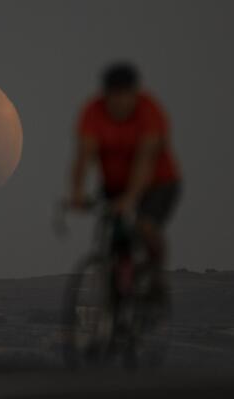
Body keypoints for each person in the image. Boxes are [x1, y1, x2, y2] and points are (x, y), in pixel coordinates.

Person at [69, 62, 181, 301]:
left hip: (158, 181)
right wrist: (77, 193)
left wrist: (130, 199)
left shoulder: (150, 112)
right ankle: (119, 288)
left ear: (135, 93)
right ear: (105, 94)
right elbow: (84, 155)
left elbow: (145, 160)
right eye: (114, 95)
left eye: (125, 95)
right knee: (114, 232)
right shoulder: (92, 111)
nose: (119, 102)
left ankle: (155, 276)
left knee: (145, 226)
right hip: (115, 183)